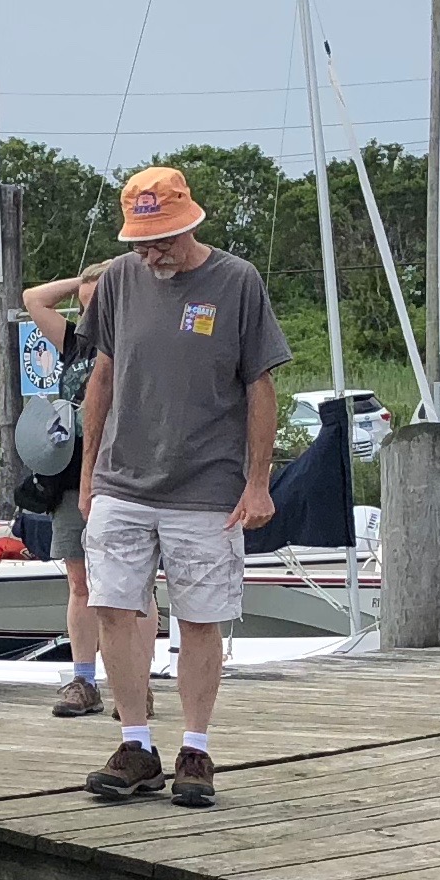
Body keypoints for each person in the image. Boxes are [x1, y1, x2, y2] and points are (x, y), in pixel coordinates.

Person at [78, 167, 289, 807]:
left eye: (163, 238)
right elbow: (103, 378)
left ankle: (195, 747)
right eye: (143, 241)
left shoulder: (237, 280)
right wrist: (88, 477)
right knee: (112, 605)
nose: (152, 252)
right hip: (122, 477)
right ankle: (135, 743)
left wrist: (259, 483)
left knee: (200, 617)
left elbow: (260, 385)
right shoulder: (117, 280)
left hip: (207, 484)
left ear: (191, 221)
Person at [21, 262, 159, 718]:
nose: (91, 313)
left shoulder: (138, 344)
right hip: (71, 471)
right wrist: (83, 281)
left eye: (100, 304)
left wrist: (120, 281)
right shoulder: (73, 343)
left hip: (127, 474)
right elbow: (33, 298)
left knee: (135, 587)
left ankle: (137, 685)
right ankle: (83, 680)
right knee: (79, 582)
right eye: (85, 306)